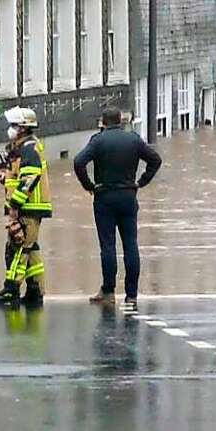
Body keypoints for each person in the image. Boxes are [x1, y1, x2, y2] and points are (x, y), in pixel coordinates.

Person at [73, 107, 161, 309]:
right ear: (121, 121)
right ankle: (131, 295)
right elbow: (155, 160)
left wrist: (89, 186)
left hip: (104, 197)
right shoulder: (134, 139)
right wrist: (141, 182)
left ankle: (109, 291)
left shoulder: (98, 140)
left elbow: (79, 162)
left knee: (108, 245)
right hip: (129, 196)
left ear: (103, 122)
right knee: (131, 244)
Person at [0, 107, 50, 310]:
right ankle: (35, 291)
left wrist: (15, 205)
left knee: (18, 247)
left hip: (27, 208)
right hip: (29, 206)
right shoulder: (23, 147)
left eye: (14, 126)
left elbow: (29, 179)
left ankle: (11, 289)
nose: (11, 129)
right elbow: (20, 177)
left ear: (23, 128)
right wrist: (6, 179)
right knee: (31, 249)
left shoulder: (28, 149)